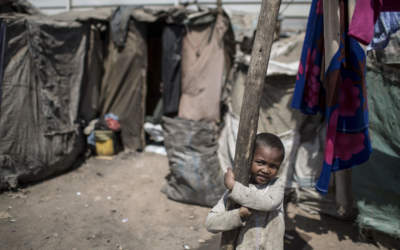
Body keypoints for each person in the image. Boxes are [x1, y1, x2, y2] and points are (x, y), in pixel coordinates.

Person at [205, 132, 285, 250]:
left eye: (273, 166)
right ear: (249, 159)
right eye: (261, 162)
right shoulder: (236, 190)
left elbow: (269, 203)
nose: (266, 170)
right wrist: (238, 215)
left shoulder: (276, 186)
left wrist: (234, 187)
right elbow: (211, 223)